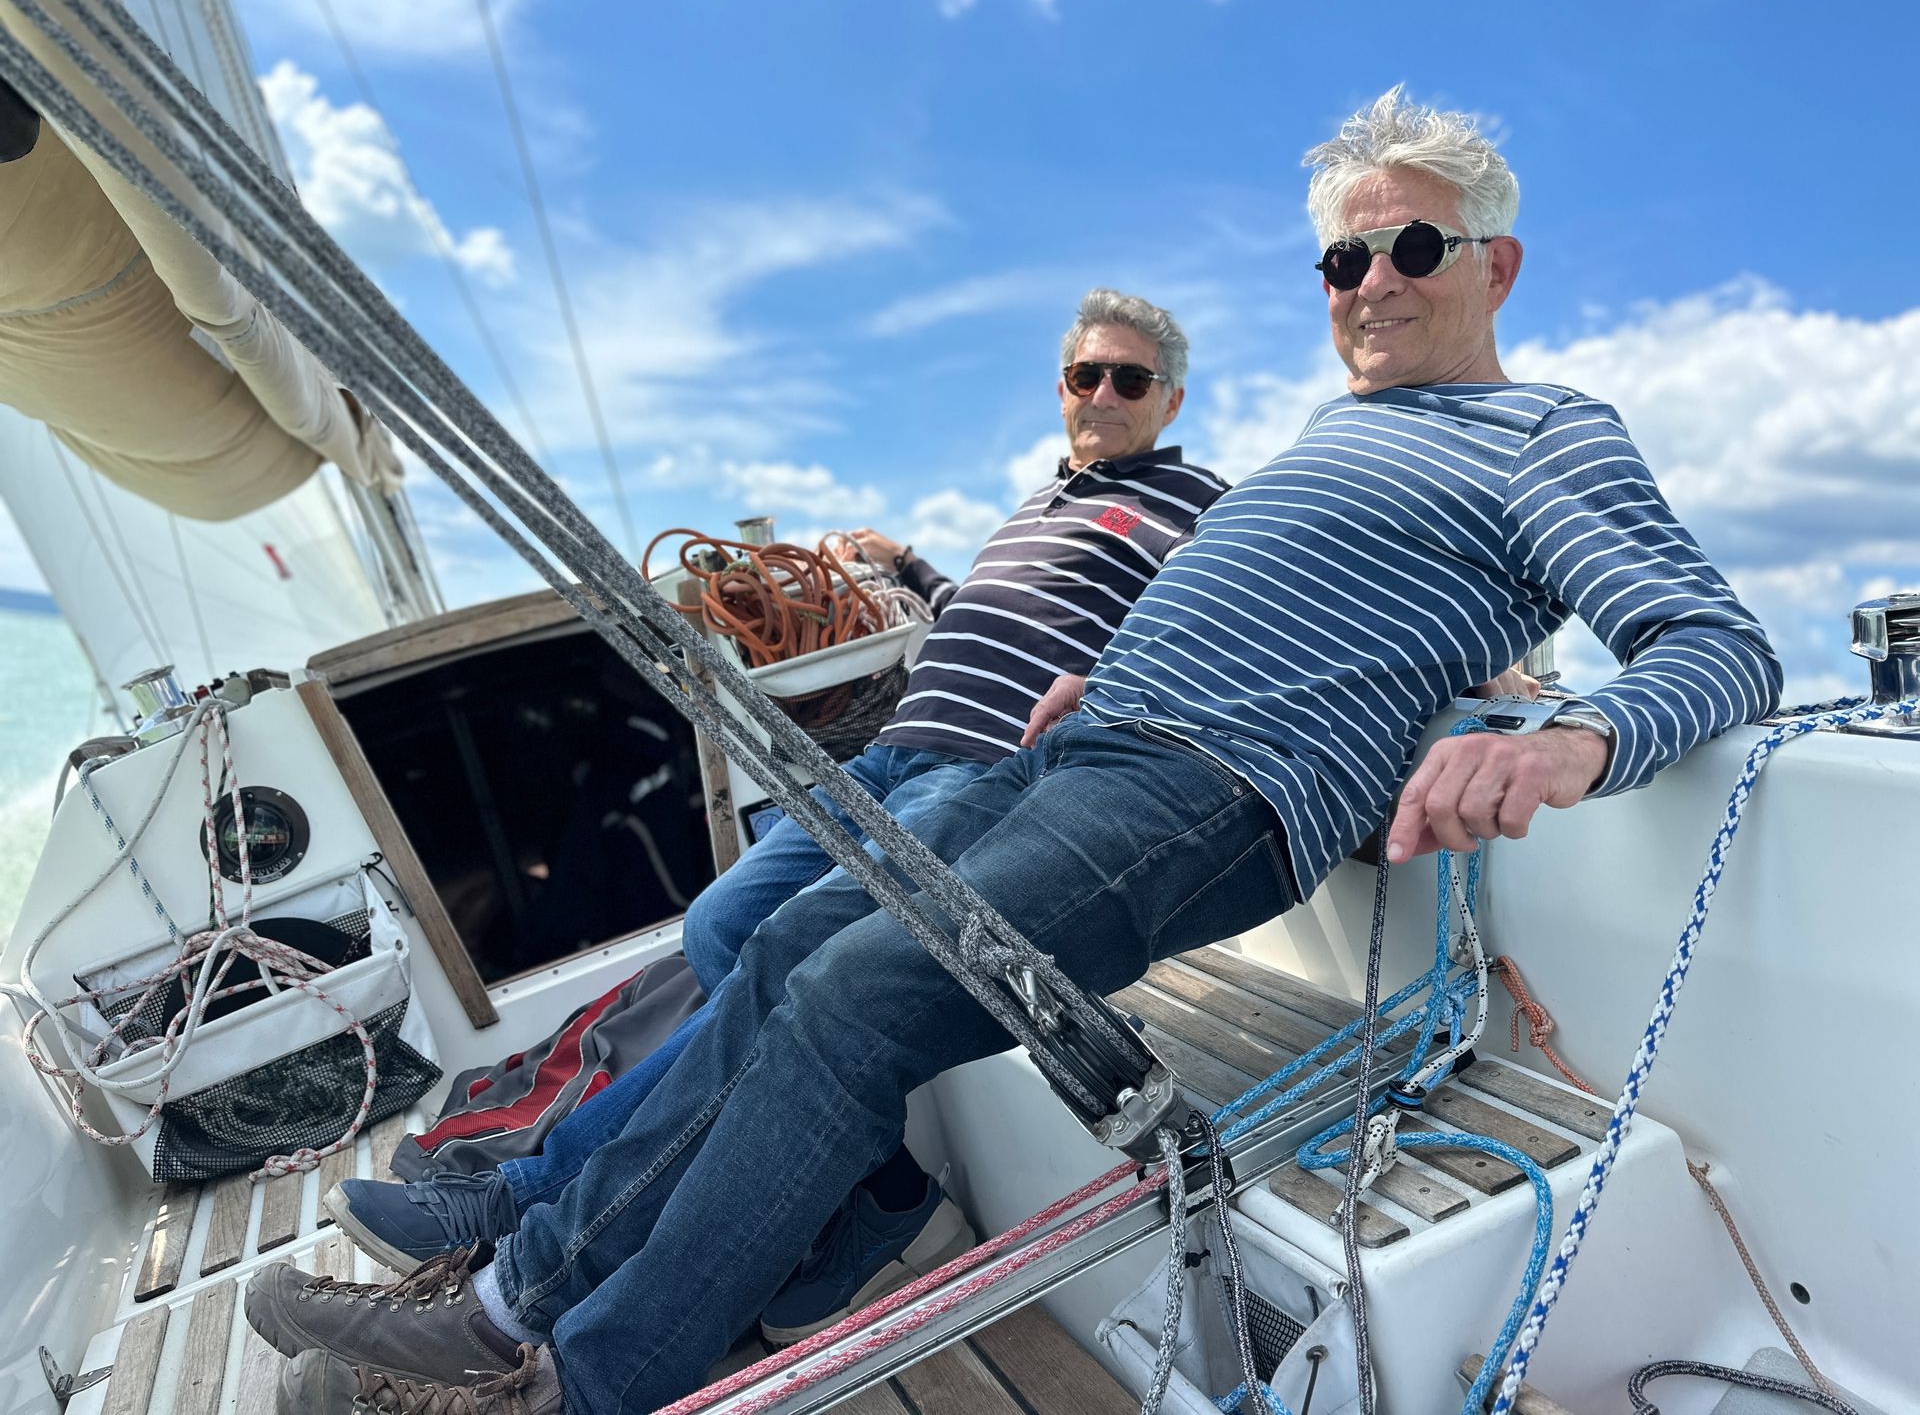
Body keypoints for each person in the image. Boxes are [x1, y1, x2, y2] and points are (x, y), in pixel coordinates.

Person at [251, 89, 1781, 1415]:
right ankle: (511, 1292)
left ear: (1496, 265)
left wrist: (1576, 736)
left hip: (1216, 787)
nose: (1371, 282)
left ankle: (574, 1374)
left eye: (1413, 248)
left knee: (856, 1003)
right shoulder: (1334, 432)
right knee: (778, 951)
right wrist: (1100, 673)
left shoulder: (1543, 435)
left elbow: (1718, 643)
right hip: (1077, 749)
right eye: (1344, 259)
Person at [314, 287, 1233, 1340]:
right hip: (890, 754)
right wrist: (904, 565)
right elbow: (974, 613)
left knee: (793, 957)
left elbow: (1223, 626)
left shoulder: (1198, 502)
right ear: (1062, 388)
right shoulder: (1037, 505)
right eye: (1086, 374)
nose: (1104, 393)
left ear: (1170, 400)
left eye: (1131, 379)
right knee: (719, 928)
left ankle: (531, 1194)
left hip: (984, 773)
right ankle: (881, 1195)